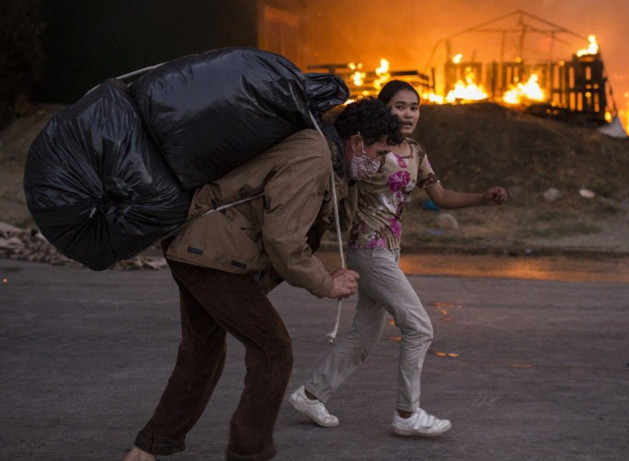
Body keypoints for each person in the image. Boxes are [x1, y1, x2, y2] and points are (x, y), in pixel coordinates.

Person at [123, 98, 402, 461]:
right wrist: (324, 282)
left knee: (201, 354)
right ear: (356, 142)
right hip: (214, 256)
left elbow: (329, 220)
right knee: (273, 351)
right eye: (379, 152)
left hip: (200, 248)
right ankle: (248, 454)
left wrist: (353, 180)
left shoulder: (327, 158)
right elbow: (282, 237)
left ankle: (146, 450)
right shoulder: (314, 156)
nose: (381, 162)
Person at [289, 80, 508, 437]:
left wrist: (482, 198)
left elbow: (440, 195)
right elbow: (339, 181)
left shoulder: (416, 152)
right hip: (368, 247)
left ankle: (311, 393)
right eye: (399, 106)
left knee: (365, 332)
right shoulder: (371, 150)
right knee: (419, 327)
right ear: (384, 111)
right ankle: (407, 413)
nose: (408, 113)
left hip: (388, 250)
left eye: (414, 107)